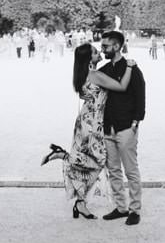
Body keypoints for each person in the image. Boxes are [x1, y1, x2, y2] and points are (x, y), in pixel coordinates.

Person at [40, 41, 138, 219]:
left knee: (87, 159)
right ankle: (65, 158)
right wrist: (130, 67)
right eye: (94, 52)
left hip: (84, 120)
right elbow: (122, 86)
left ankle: (80, 202)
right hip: (94, 123)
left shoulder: (81, 75)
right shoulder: (95, 75)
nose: (98, 52)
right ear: (88, 58)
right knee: (98, 160)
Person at [96, 30, 147, 225]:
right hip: (108, 127)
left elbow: (140, 95)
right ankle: (121, 206)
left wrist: (136, 121)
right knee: (114, 170)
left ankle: (135, 209)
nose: (103, 50)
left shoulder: (132, 68)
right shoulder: (105, 69)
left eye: (106, 46)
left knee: (131, 170)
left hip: (126, 126)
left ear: (116, 46)